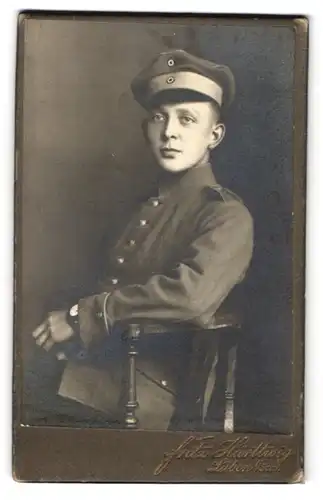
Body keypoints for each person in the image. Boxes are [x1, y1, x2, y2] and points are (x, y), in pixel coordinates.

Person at [30, 49, 254, 430]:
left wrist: (81, 316)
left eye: (187, 119)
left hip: (146, 394)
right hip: (93, 372)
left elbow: (190, 297)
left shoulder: (225, 215)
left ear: (213, 135)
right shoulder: (143, 206)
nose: (169, 131)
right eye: (158, 118)